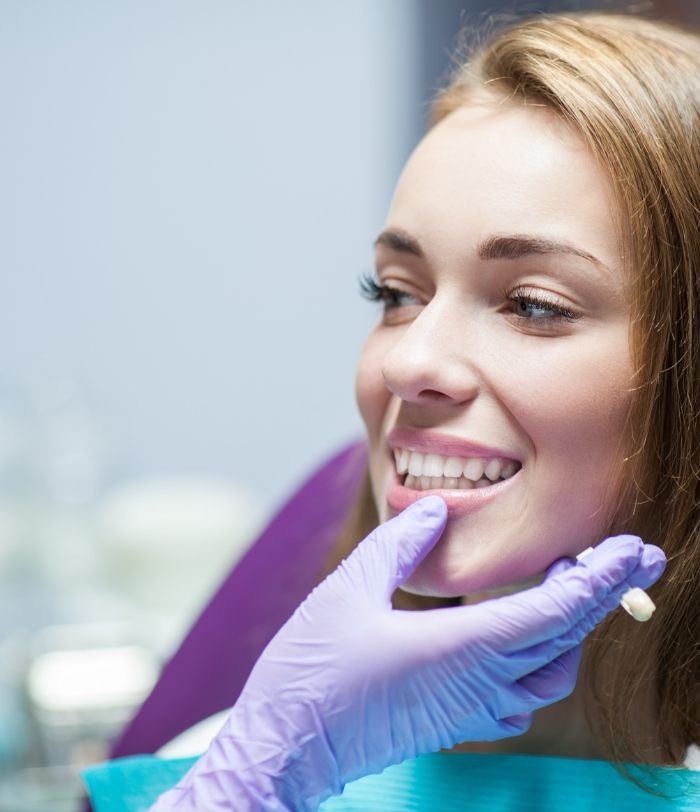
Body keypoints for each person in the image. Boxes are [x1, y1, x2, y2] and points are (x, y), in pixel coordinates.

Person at [83, 9, 700, 811]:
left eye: (533, 304)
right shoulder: (233, 767)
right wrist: (265, 773)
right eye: (397, 293)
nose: (406, 363)